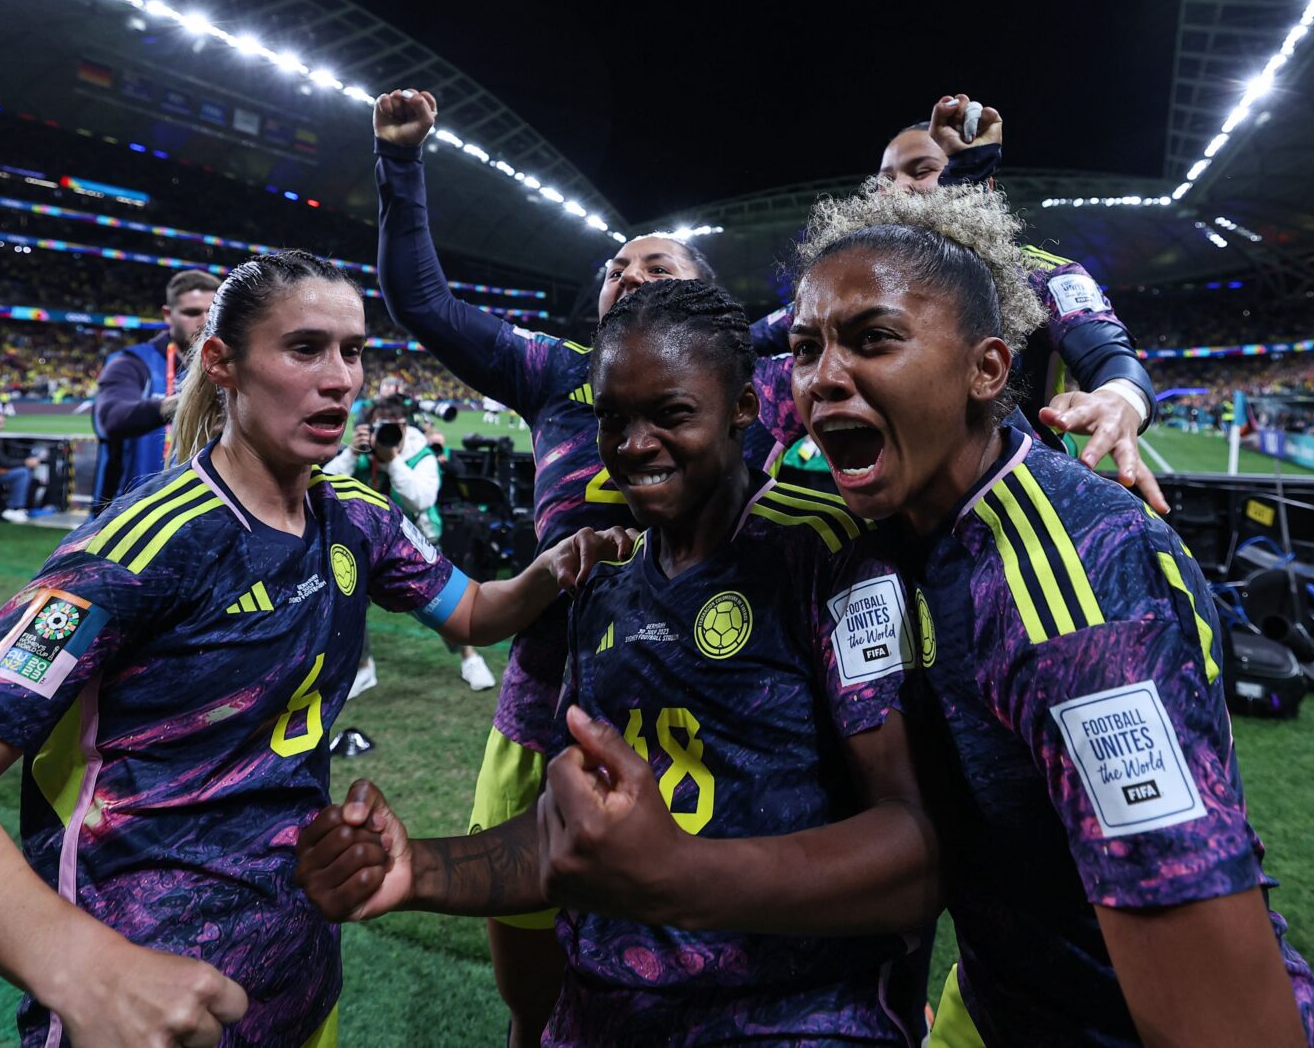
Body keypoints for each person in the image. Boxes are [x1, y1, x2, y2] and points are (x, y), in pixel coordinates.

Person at [0, 250, 632, 1048]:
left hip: (301, 980)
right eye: (305, 348)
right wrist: (81, 963)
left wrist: (548, 570)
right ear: (222, 363)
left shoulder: (357, 516)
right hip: (150, 1003)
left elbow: (471, 613)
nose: (341, 379)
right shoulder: (139, 547)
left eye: (354, 350)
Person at [296, 279, 940, 1045]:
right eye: (612, 418)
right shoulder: (604, 582)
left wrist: (682, 874)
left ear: (744, 408)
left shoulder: (829, 553)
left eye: (670, 413)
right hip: (602, 1018)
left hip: (789, 1020)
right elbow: (568, 840)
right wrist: (417, 869)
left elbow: (917, 851)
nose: (634, 445)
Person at [785, 184, 1314, 1046]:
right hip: (1001, 992)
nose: (822, 378)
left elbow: (1224, 1024)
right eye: (804, 346)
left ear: (989, 369)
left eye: (872, 339)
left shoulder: (1077, 591)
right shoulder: (883, 535)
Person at [372, 87, 813, 1043]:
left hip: (713, 698)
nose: (627, 274)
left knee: (695, 956)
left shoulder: (766, 373)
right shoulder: (556, 373)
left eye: (654, 264)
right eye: (615, 268)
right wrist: (402, 166)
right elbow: (424, 303)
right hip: (545, 700)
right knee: (533, 989)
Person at [754, 93, 1165, 512]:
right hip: (891, 513)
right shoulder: (847, 295)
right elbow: (744, 342)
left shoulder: (1039, 274)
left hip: (1019, 511)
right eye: (884, 179)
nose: (898, 189)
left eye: (923, 170)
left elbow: (1109, 355)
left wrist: (1120, 399)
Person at [325, 394, 498, 693]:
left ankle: (469, 656)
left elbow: (420, 499)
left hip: (415, 541)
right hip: (365, 541)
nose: (391, 433)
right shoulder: (362, 452)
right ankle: (364, 667)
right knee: (349, 603)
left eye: (397, 427)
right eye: (382, 426)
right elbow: (325, 485)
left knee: (437, 603)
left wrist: (393, 461)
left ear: (407, 426)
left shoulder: (421, 454)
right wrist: (352, 454)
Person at [91, 269, 220, 512]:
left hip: (197, 514)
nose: (204, 321)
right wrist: (193, 402)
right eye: (192, 312)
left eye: (211, 312)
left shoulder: (227, 368)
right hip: (125, 518)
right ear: (168, 315)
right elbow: (110, 418)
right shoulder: (132, 363)